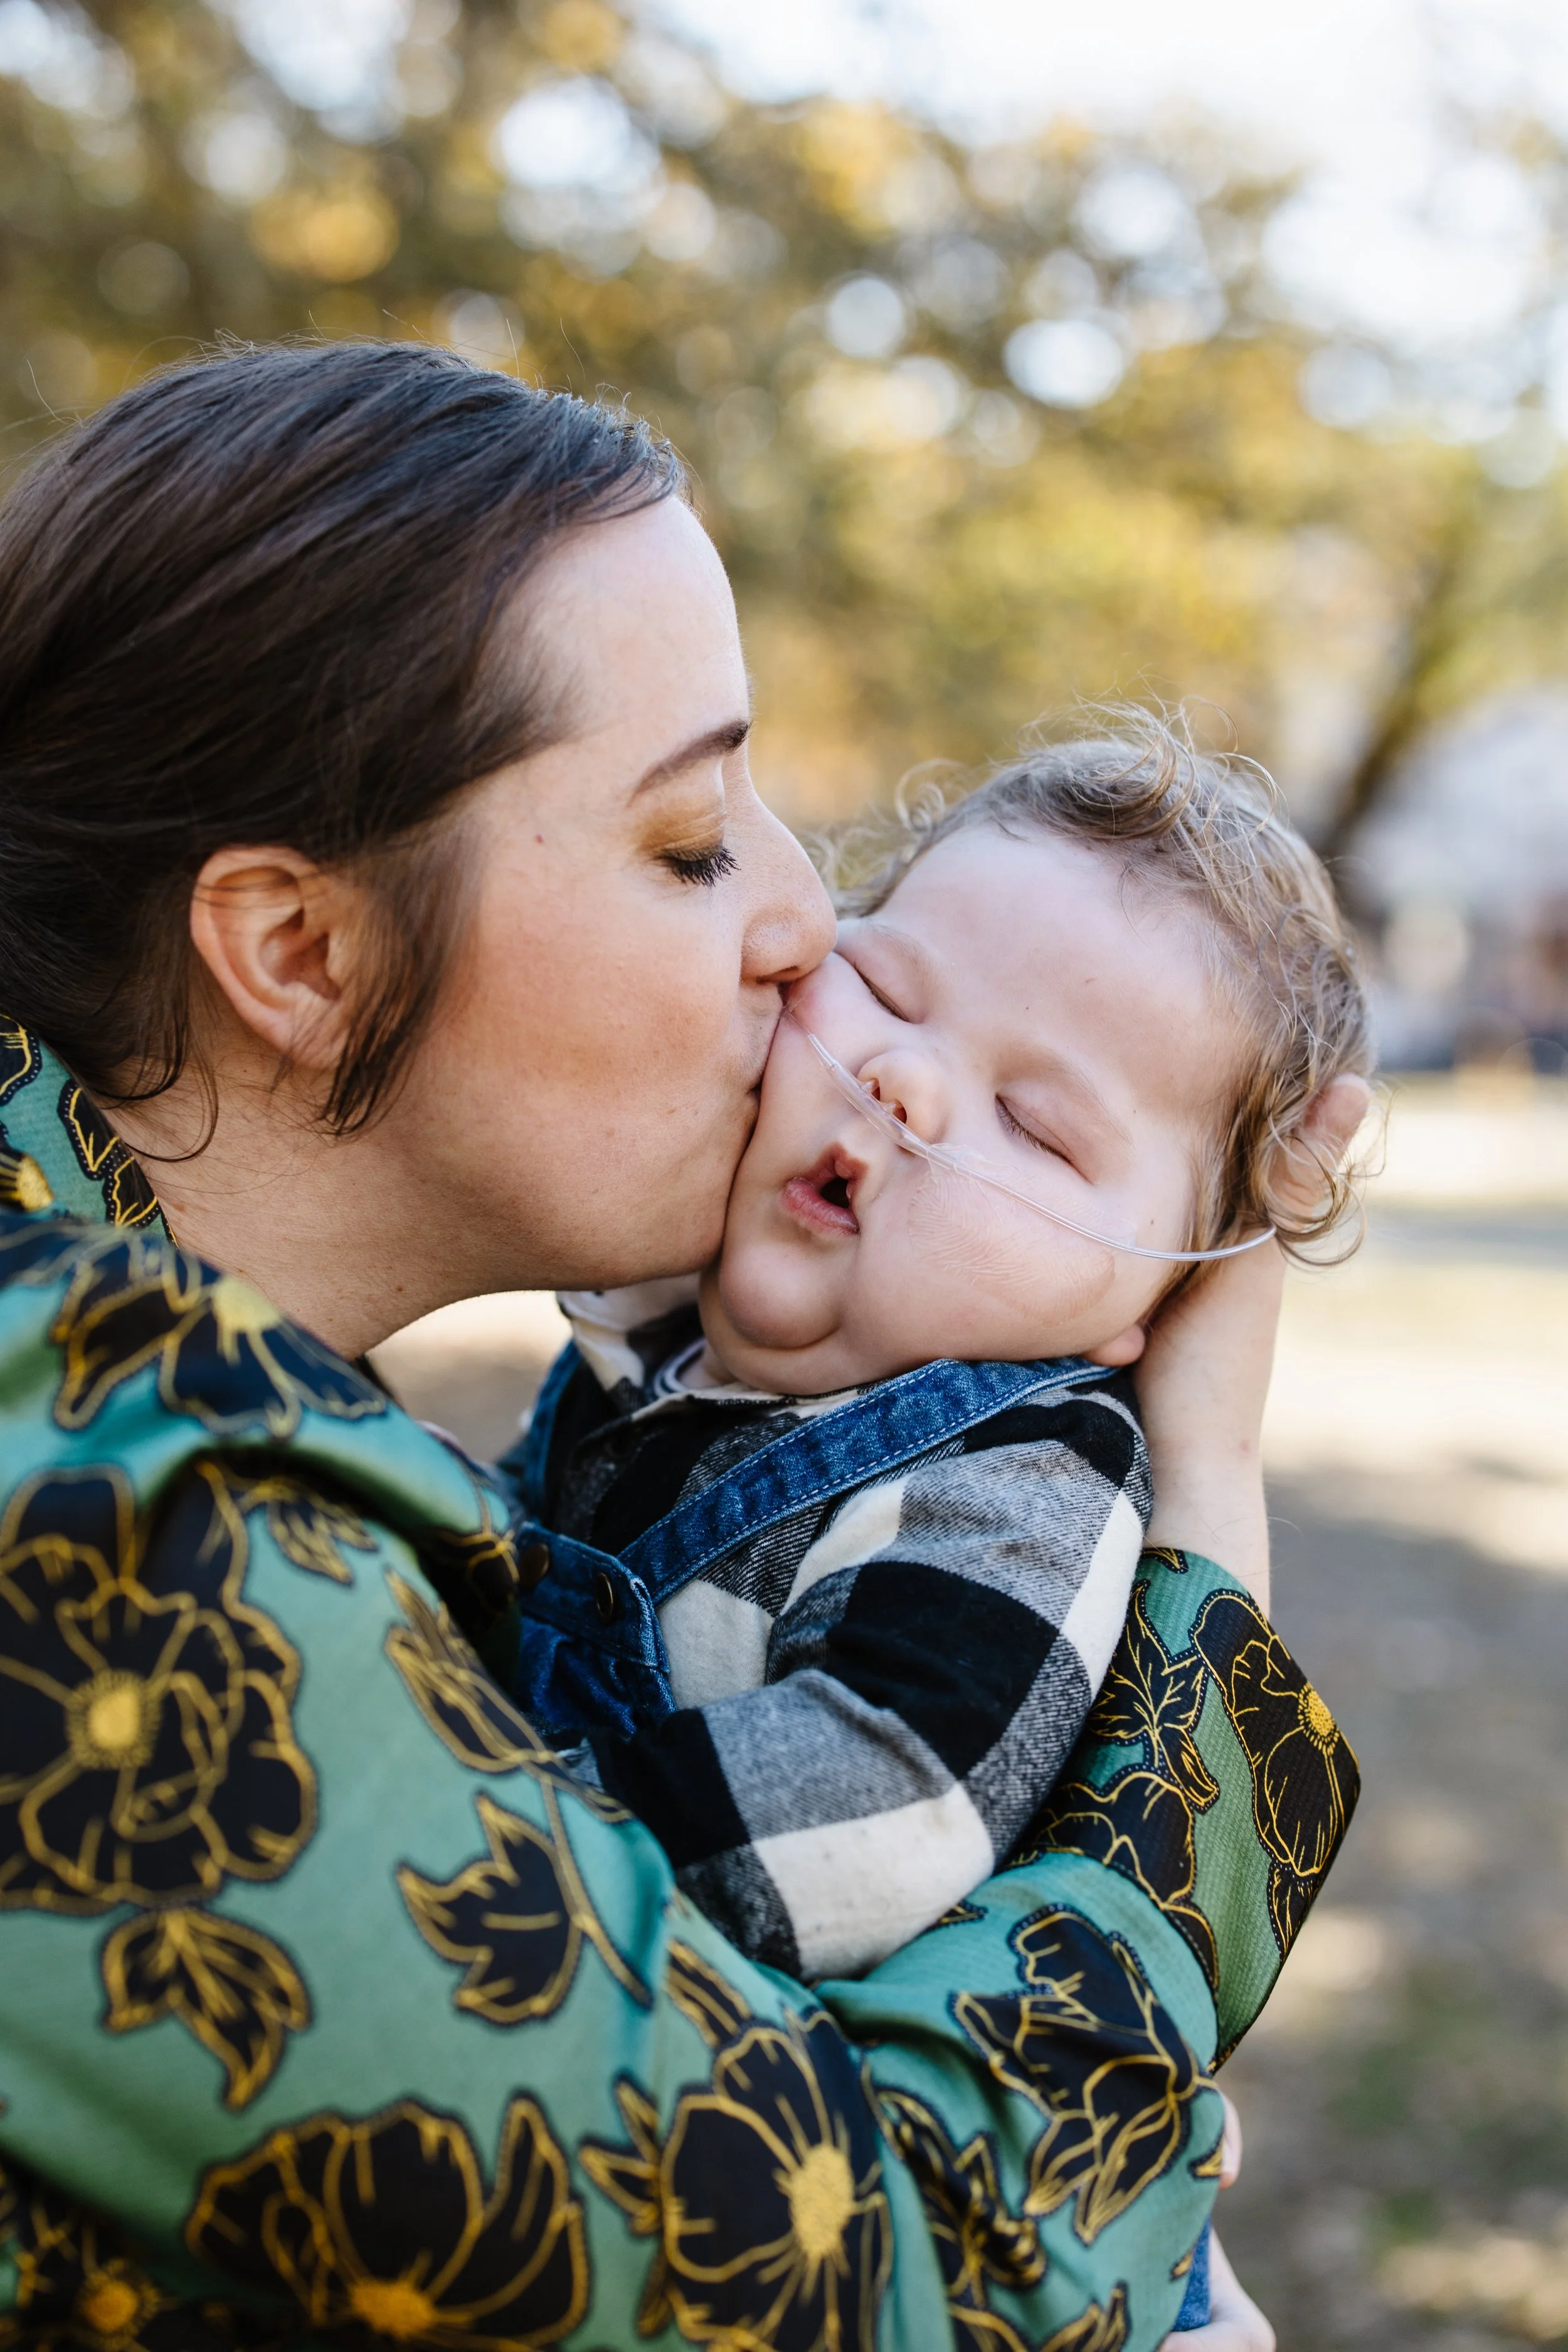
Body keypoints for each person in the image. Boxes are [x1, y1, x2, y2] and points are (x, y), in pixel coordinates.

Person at [0, 340, 1353, 2352]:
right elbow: (865, 2291)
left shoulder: (187, 1387)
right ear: (297, 950)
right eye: (691, 839)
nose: (814, 932)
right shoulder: (104, 1525)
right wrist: (1206, 1607)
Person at [514, 724, 1370, 1994]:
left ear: (1137, 1304)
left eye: (1032, 1125)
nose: (900, 1079)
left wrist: (457, 1810)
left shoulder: (1019, 1490)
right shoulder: (650, 1333)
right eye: (890, 989)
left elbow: (875, 1812)